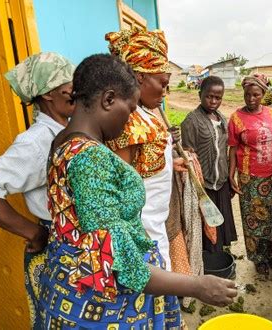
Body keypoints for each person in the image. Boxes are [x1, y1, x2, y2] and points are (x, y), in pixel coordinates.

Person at [39, 54, 237, 328]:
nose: (130, 120)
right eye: (130, 110)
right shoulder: (91, 160)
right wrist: (196, 286)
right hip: (100, 306)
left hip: (69, 282)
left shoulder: (62, 141)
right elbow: (120, 263)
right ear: (108, 99)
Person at [0, 52, 74, 328]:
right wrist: (34, 231)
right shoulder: (36, 143)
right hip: (56, 250)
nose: (78, 91)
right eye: (69, 85)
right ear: (48, 94)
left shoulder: (69, 130)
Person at [105, 27, 184, 271]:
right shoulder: (128, 121)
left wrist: (172, 163)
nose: (165, 91)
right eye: (162, 83)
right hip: (141, 235)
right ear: (140, 77)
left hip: (154, 226)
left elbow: (146, 167)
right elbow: (119, 186)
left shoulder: (145, 114)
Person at [228, 74, 272, 276]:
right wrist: (231, 175)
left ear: (263, 94)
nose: (251, 99)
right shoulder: (236, 118)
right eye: (247, 94)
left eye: (256, 94)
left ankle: (270, 255)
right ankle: (258, 259)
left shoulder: (271, 113)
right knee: (253, 221)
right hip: (250, 177)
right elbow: (233, 149)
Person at [181, 76, 237, 252]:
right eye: (209, 96)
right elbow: (188, 155)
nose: (213, 101)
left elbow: (224, 149)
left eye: (218, 97)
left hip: (221, 182)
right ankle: (210, 261)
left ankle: (221, 255)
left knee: (220, 223)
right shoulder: (191, 121)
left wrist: (228, 178)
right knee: (207, 226)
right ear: (200, 95)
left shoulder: (221, 117)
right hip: (204, 185)